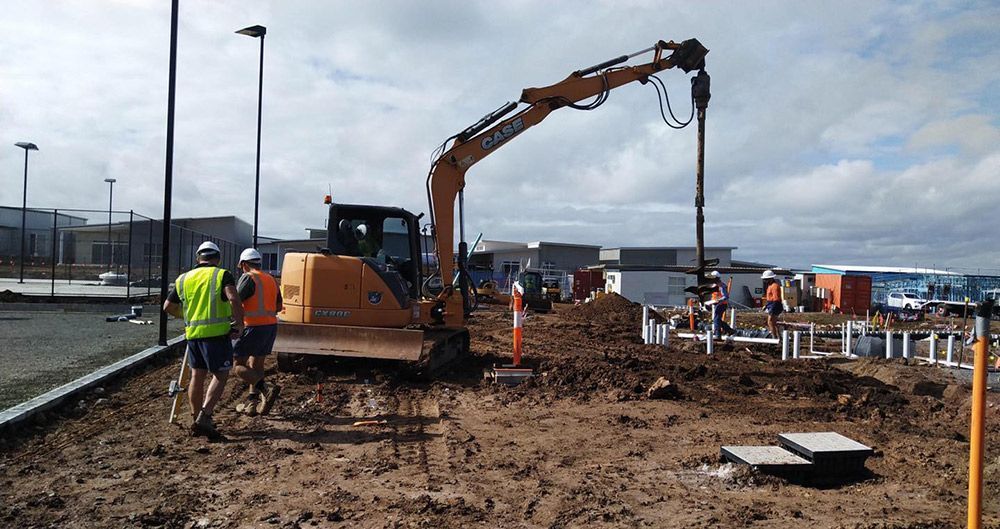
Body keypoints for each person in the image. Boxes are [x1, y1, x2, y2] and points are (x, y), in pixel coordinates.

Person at [163, 241, 244, 439]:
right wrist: (239, 323)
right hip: (216, 335)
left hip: (193, 336)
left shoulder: (183, 279)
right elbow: (233, 298)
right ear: (217, 258)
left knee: (197, 377)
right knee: (221, 374)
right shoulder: (221, 274)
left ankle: (195, 418)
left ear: (198, 258)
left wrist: (190, 316)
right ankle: (205, 415)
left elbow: (168, 306)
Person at [232, 248, 283, 416]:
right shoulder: (271, 279)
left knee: (238, 365)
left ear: (244, 264)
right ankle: (253, 405)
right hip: (270, 327)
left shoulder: (248, 278)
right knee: (257, 365)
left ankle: (265, 389)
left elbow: (236, 302)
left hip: (252, 326)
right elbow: (277, 306)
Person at [704, 270, 734, 338]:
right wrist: (711, 302)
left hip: (722, 304)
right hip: (717, 304)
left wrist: (717, 300)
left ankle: (718, 334)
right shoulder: (714, 286)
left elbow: (725, 296)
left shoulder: (722, 286)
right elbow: (714, 296)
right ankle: (729, 330)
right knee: (717, 319)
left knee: (716, 319)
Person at [761, 269, 782, 338]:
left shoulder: (774, 286)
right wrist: (766, 305)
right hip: (772, 304)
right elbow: (770, 298)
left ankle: (774, 337)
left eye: (766, 279)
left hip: (775, 305)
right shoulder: (770, 286)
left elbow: (776, 299)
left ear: (770, 279)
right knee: (774, 322)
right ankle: (779, 337)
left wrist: (771, 308)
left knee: (770, 321)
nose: (765, 281)